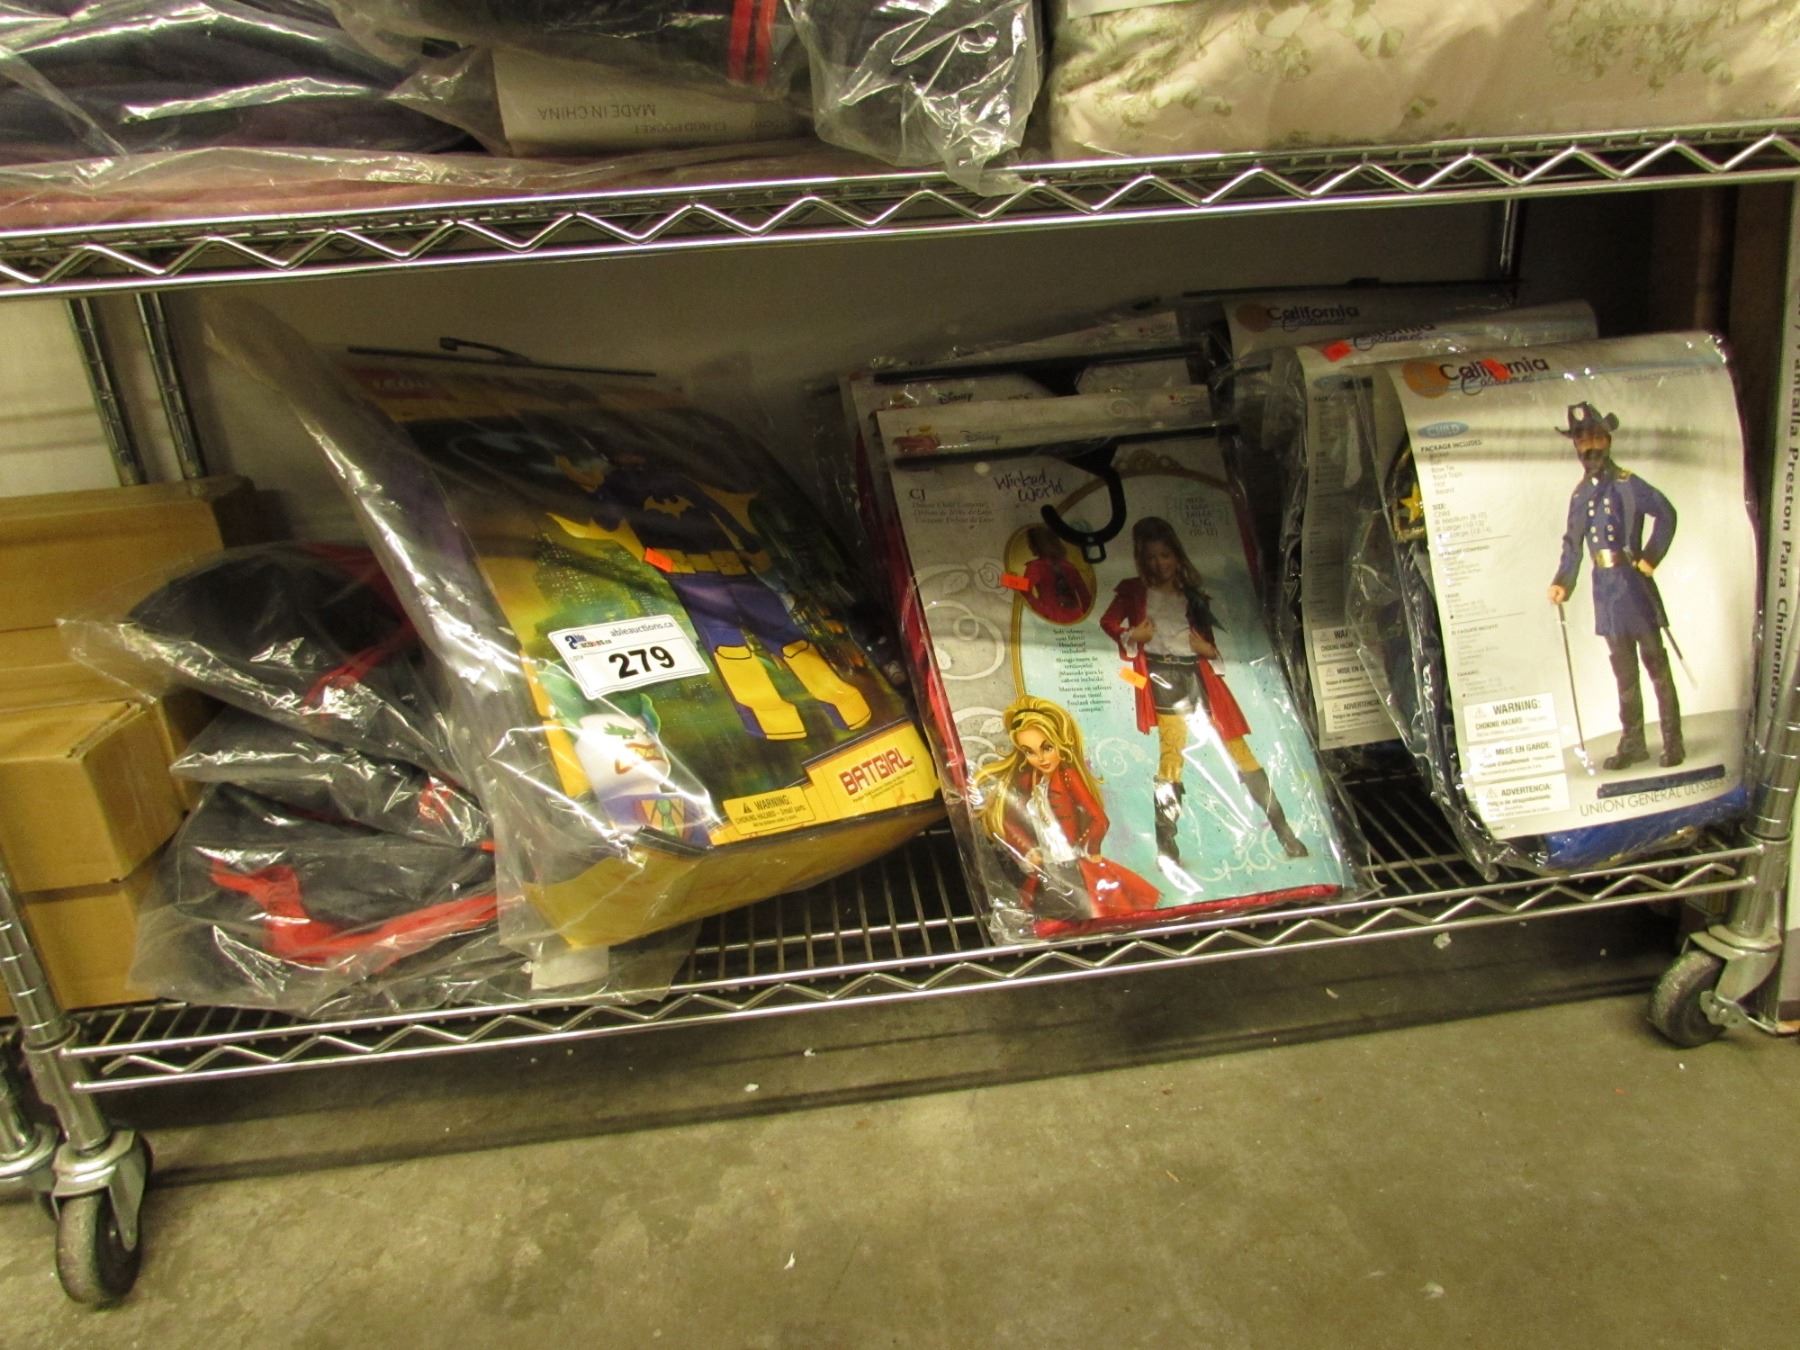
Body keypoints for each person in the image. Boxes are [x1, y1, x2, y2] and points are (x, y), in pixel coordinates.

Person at [1100, 517, 1309, 863]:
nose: (1159, 564)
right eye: (1150, 557)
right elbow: (1108, 622)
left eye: (1165, 555)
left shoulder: (1193, 597)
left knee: (1239, 749)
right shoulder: (1133, 591)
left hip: (1198, 676)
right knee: (1171, 756)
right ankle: (1167, 843)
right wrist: (1132, 635)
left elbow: (1212, 647)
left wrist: (1207, 650)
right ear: (1140, 559)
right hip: (1161, 675)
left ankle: (1284, 831)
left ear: (1177, 556)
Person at [1546, 402, 1682, 770]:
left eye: (1594, 438)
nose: (1588, 446)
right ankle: (1633, 744)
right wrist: (1563, 582)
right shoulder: (1579, 495)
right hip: (1605, 592)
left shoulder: (1627, 483)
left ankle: (1673, 742)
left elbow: (1666, 513)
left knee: (1656, 666)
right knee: (1624, 673)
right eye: (1581, 441)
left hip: (1632, 585)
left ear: (1607, 440)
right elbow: (1573, 544)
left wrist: (1650, 557)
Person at [974, 696, 1159, 923]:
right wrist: (1027, 849)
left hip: (1072, 863)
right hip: (1046, 866)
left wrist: (1087, 847)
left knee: (1089, 913)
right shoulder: (1029, 780)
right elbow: (1007, 818)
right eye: (1030, 751)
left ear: (1061, 742)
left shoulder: (1068, 777)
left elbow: (1099, 819)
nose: (1040, 758)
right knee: (1047, 915)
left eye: (1047, 748)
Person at [1020, 524, 1093, 624]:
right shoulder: (1070, 567)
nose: (1029, 546)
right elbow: (1086, 598)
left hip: (1051, 618)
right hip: (1076, 618)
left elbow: (1024, 589)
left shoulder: (1036, 566)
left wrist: (1042, 610)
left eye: (1030, 542)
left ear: (1035, 545)